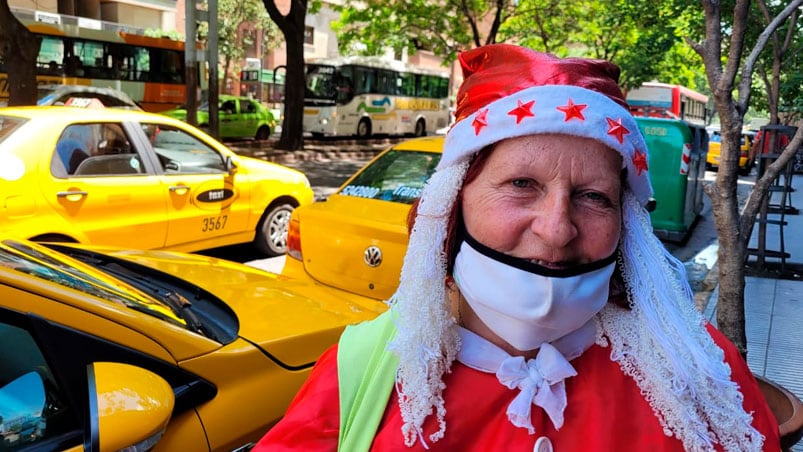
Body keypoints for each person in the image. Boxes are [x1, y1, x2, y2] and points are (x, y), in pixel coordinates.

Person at [254, 44, 780, 451]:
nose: (556, 230)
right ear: (453, 203)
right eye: (521, 185)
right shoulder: (360, 372)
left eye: (594, 196)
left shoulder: (701, 369)